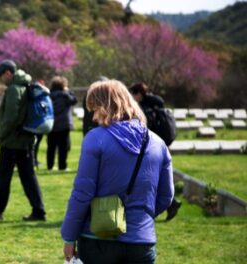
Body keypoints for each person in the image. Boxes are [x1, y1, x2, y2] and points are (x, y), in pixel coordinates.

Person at [61, 80, 174, 264]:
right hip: (141, 242)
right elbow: (166, 197)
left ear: (107, 107)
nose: (95, 118)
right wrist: (141, 217)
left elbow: (82, 192)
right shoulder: (158, 144)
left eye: (95, 109)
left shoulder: (95, 138)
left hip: (98, 238)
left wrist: (69, 236)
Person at [0, 60, 46, 221]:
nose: (1, 79)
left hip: (12, 142)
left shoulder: (14, 89)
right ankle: (39, 211)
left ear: (8, 73)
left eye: (1, 76)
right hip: (25, 141)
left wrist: (1, 135)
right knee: (28, 177)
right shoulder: (24, 85)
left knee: (3, 177)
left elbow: (11, 117)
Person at [129, 82, 182, 221]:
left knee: (149, 178)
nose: (132, 97)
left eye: (133, 94)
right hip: (157, 146)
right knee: (153, 177)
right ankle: (171, 204)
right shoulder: (155, 103)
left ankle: (171, 204)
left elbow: (145, 128)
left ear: (139, 94)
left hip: (148, 147)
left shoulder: (145, 107)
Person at [46, 76, 77, 171]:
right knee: (63, 147)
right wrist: (69, 91)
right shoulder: (65, 96)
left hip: (51, 124)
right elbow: (74, 100)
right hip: (64, 124)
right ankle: (62, 166)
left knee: (51, 146)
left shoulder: (49, 96)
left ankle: (50, 166)